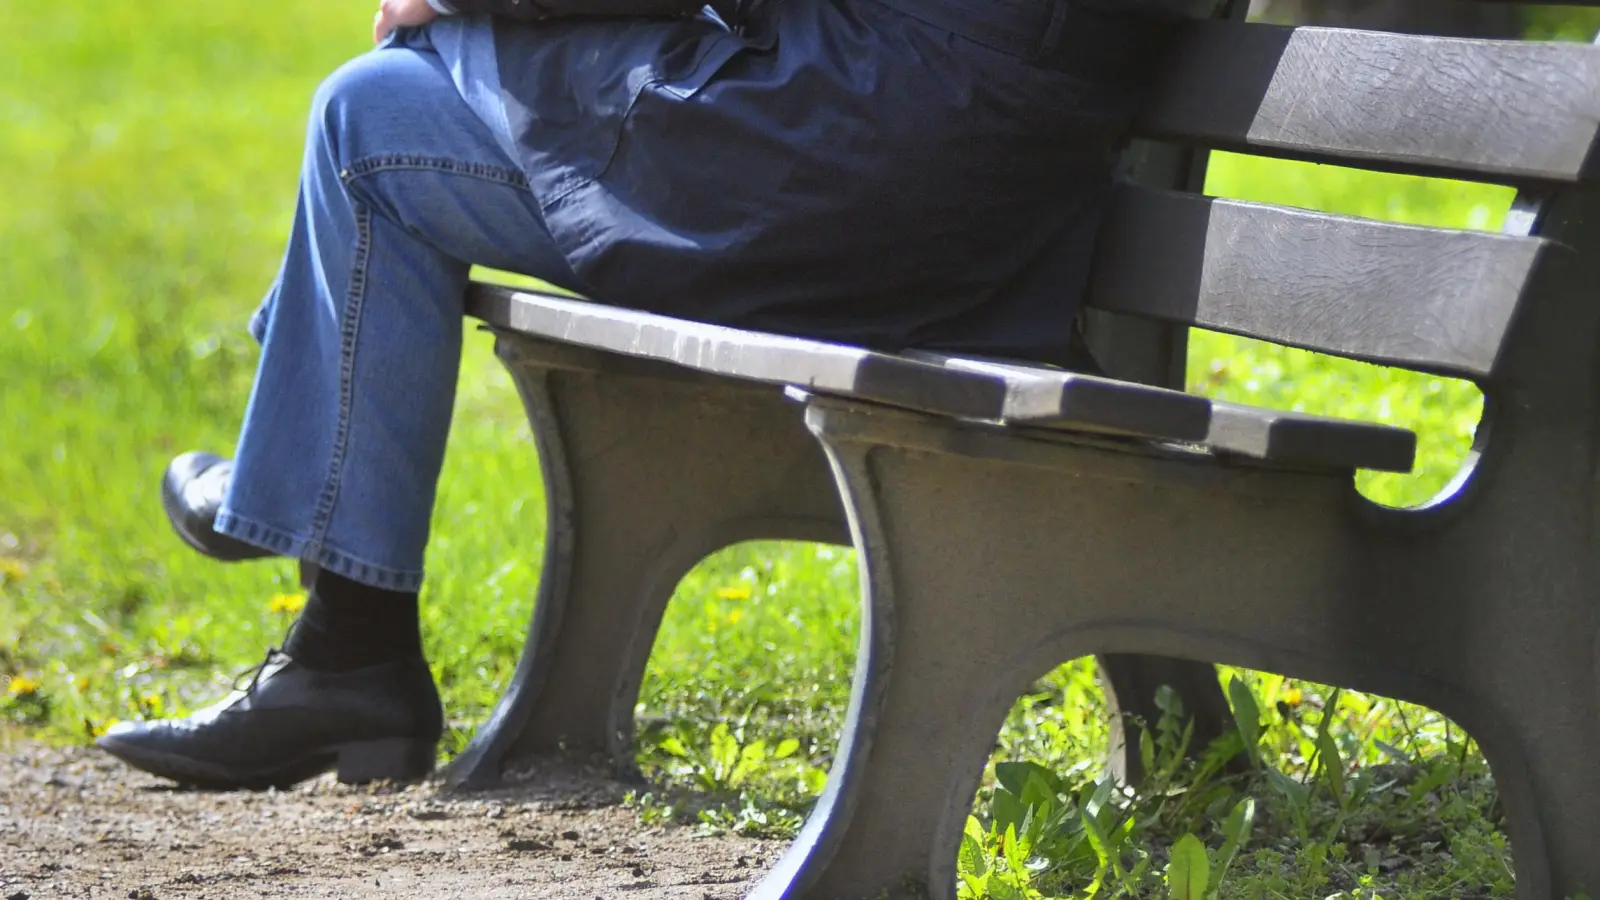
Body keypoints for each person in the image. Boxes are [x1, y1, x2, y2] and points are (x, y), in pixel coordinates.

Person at [95, 0, 1186, 788]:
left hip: (872, 142)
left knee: (401, 74)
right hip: (933, 148)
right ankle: (334, 615)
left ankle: (326, 597)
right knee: (376, 107)